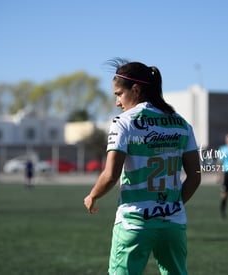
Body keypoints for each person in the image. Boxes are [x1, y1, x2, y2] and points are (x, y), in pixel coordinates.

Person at [83, 59, 201, 274]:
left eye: (119, 94)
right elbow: (195, 177)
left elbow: (111, 175)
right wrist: (172, 206)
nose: (118, 102)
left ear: (135, 90)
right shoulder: (182, 123)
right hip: (173, 223)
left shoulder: (124, 122)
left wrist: (93, 195)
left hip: (134, 222)